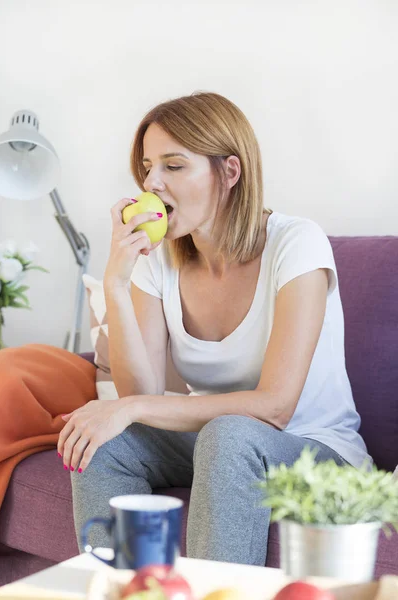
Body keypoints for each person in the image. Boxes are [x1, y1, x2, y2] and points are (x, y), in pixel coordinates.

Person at [59, 92, 371, 566]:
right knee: (104, 443)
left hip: (315, 450)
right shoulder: (159, 260)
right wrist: (117, 284)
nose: (152, 182)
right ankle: (127, 592)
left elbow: (275, 408)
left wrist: (132, 407)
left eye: (174, 166)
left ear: (230, 172)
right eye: (147, 166)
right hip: (217, 440)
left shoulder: (297, 243)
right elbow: (139, 394)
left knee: (230, 435)